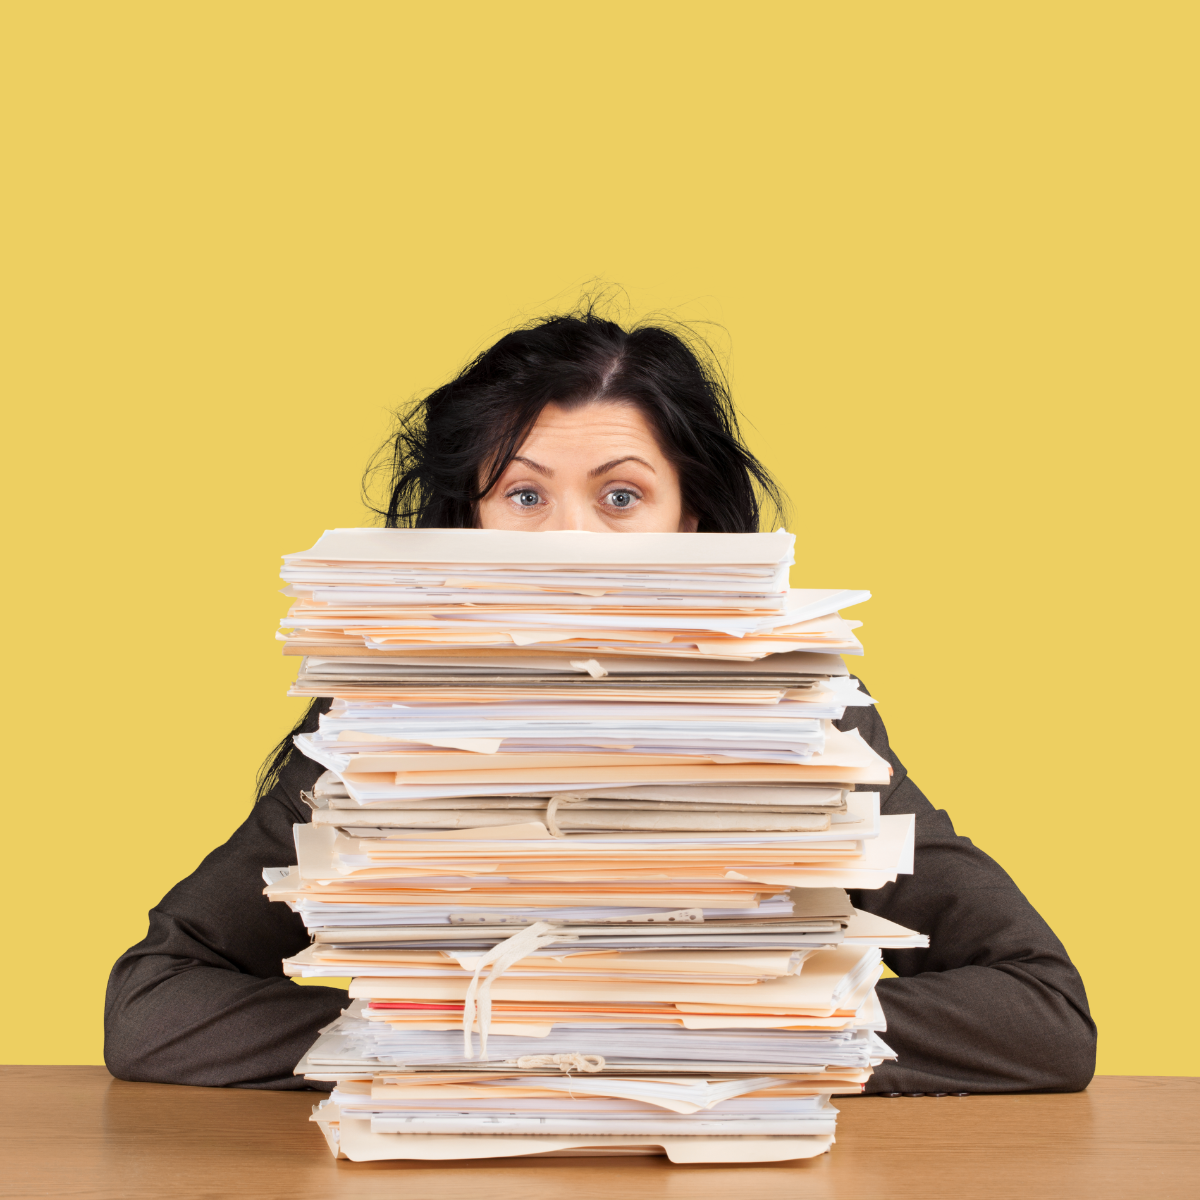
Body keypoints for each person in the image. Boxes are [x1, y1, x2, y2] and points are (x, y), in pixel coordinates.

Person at [104, 310, 1097, 1094]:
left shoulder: (805, 724)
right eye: (524, 496)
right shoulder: (375, 735)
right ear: (472, 523)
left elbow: (1041, 1016)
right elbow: (154, 1004)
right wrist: (446, 1040)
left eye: (621, 497)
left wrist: (709, 1034)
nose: (566, 542)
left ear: (688, 517)